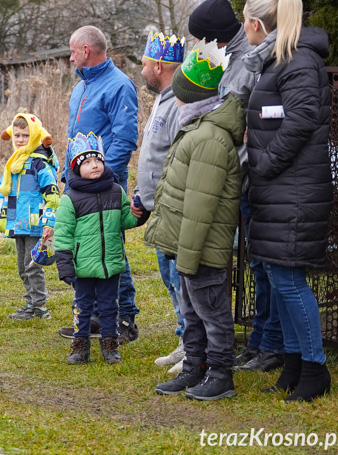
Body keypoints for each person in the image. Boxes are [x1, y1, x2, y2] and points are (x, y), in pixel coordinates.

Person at [243, 0, 332, 402]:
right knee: (280, 279)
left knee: (290, 281)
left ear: (259, 23)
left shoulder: (299, 62)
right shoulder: (282, 61)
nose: (244, 30)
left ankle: (316, 370)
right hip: (281, 189)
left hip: (292, 190)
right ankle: (294, 365)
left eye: (246, 21)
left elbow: (299, 121)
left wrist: (263, 164)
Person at [188, 0, 282, 373]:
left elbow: (240, 126)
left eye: (201, 38)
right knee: (257, 264)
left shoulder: (247, 62)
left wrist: (232, 173)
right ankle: (260, 339)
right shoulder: (236, 57)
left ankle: (270, 343)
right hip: (245, 176)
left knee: (265, 265)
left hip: (249, 175)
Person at [147, 41, 244, 401]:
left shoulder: (210, 138)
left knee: (212, 312)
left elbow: (201, 206)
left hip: (201, 248)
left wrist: (186, 257)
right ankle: (194, 369)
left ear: (189, 96)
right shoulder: (197, 127)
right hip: (187, 247)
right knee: (192, 310)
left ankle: (220, 374)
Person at [61, 26, 140, 343]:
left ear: (85, 51)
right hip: (76, 186)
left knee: (110, 247)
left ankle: (125, 318)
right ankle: (93, 316)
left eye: (71, 50)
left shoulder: (119, 86)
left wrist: (104, 180)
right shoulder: (81, 87)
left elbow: (124, 139)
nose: (69, 57)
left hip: (105, 186)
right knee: (85, 248)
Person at [55, 132, 143, 365]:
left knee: (108, 307)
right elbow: (62, 234)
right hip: (82, 266)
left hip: (110, 263)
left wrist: (140, 212)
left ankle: (110, 344)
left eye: (98, 161)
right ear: (75, 167)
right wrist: (65, 265)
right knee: (83, 307)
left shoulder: (115, 191)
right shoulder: (70, 198)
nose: (94, 166)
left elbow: (126, 220)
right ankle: (80, 345)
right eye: (87, 162)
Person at [130, 33, 186, 374]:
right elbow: (153, 156)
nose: (142, 70)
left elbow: (177, 160)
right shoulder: (161, 99)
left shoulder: (180, 103)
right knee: (168, 276)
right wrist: (141, 194)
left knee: (181, 280)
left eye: (146, 64)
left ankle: (195, 346)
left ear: (160, 66)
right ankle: (185, 340)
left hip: (174, 208)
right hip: (157, 207)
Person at [0, 113, 59, 320]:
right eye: (17, 136)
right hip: (18, 222)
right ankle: (30, 302)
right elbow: (5, 192)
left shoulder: (39, 164)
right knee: (22, 266)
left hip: (35, 224)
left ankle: (40, 306)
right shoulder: (14, 163)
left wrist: (49, 222)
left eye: (25, 135)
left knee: (33, 266)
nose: (21, 140)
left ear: (35, 136)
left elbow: (52, 195)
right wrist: (3, 217)